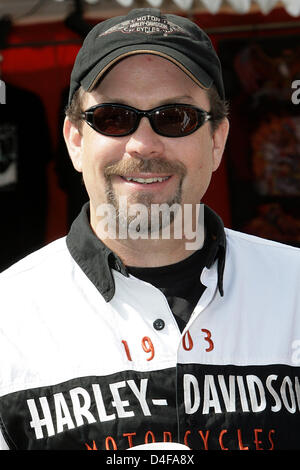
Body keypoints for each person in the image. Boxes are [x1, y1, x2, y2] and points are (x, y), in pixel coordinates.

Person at [0, 8, 299, 452]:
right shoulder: (9, 316)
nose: (143, 144)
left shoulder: (294, 289)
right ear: (75, 141)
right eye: (113, 118)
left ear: (217, 141)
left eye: (175, 116)